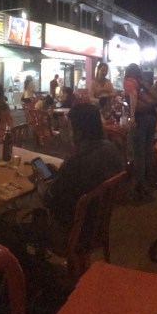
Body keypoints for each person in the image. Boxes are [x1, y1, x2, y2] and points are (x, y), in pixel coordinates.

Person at [41, 103, 127, 245]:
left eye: (69, 128)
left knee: (21, 223)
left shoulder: (76, 162)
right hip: (97, 226)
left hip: (72, 232)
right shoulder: (111, 149)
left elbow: (49, 200)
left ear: (79, 134)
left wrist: (40, 181)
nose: (67, 133)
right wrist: (60, 174)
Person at [123, 63, 157, 202]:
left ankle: (140, 188)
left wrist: (147, 100)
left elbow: (142, 107)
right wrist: (150, 100)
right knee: (147, 152)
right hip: (152, 120)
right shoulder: (142, 87)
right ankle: (147, 183)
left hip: (141, 122)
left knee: (139, 155)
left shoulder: (131, 86)